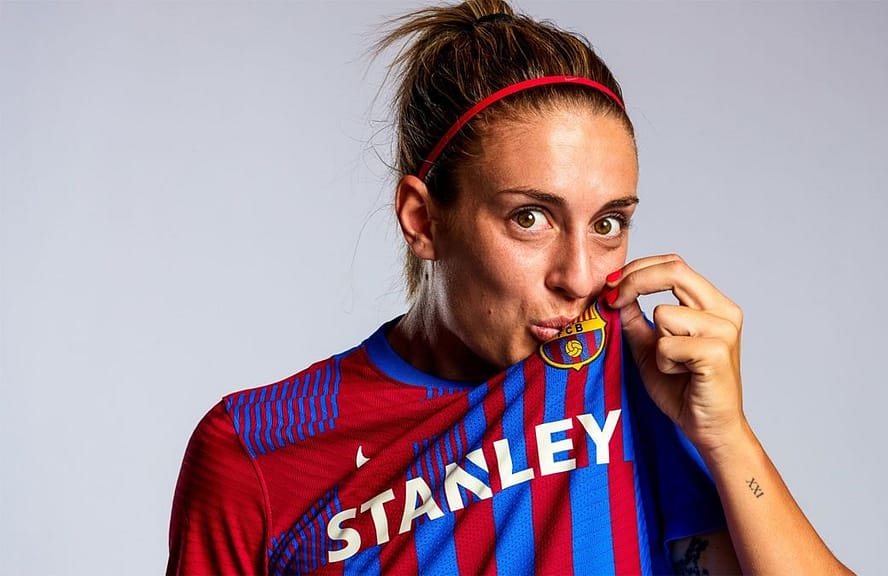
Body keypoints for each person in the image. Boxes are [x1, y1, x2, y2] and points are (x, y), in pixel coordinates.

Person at [168, 1, 853, 574]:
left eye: (609, 223)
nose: (579, 277)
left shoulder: (640, 381)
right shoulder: (257, 446)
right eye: (530, 218)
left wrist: (727, 437)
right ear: (423, 219)